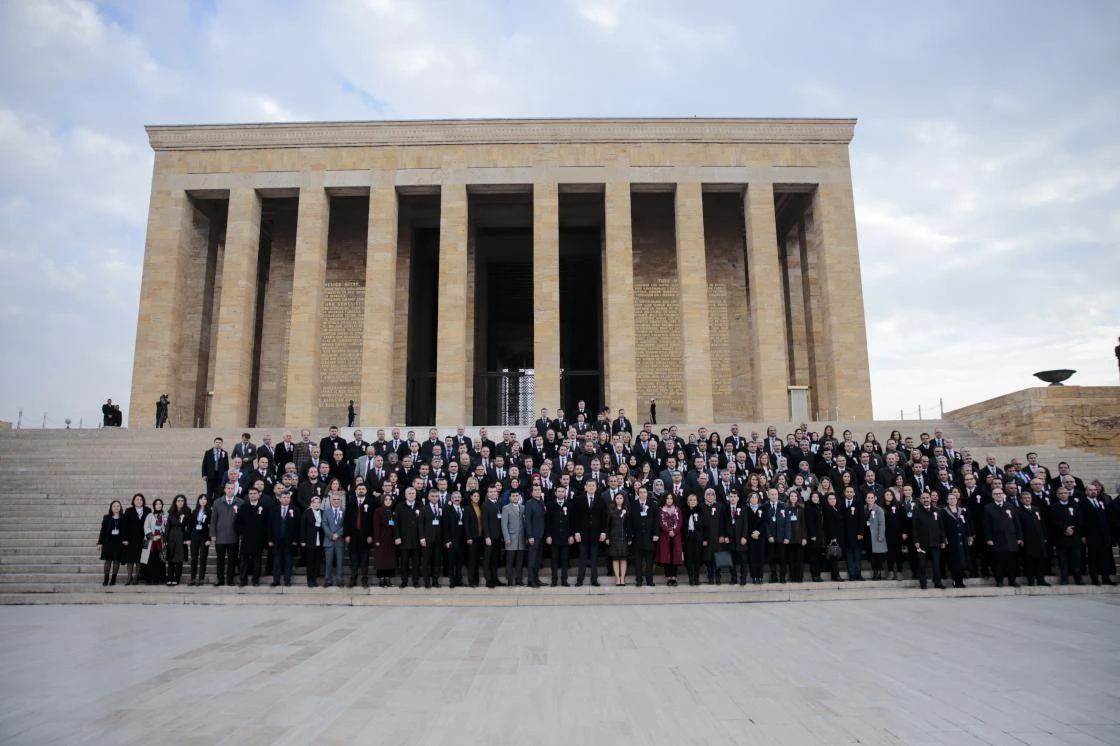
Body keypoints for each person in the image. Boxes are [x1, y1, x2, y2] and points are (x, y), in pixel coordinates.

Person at [984, 487, 1022, 588]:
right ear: (992, 496)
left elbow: (1016, 523)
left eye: (1000, 493)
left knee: (1012, 562)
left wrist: (1019, 537)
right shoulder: (988, 508)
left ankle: (1012, 580)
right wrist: (989, 538)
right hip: (997, 539)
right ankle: (999, 580)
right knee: (998, 562)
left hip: (1011, 539)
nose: (998, 495)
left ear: (1003, 494)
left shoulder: (1010, 506)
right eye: (996, 494)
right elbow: (986, 525)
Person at [572, 481, 606, 587]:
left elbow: (603, 518)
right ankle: (580, 580)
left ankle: (594, 579)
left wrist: (603, 532)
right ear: (585, 487)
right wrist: (576, 532)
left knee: (594, 558)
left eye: (593, 486)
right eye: (589, 485)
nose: (591, 487)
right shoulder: (579, 499)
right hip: (582, 533)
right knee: (582, 557)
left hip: (596, 534)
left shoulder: (600, 499)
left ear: (596, 488)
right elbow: (575, 517)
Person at [211, 483, 243, 587]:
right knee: (220, 559)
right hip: (220, 537)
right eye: (228, 488)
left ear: (235, 490)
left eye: (232, 488)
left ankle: (230, 580)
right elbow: (213, 520)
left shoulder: (240, 502)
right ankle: (220, 579)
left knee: (232, 560)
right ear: (225, 489)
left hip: (233, 536)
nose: (230, 490)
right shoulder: (217, 502)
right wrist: (213, 535)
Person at [912, 492, 946, 590]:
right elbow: (914, 527)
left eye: (927, 497)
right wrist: (916, 541)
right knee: (922, 564)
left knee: (936, 563)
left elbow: (941, 527)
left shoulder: (937, 510)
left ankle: (937, 582)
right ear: (920, 499)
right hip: (922, 543)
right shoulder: (917, 510)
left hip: (935, 541)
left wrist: (943, 540)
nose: (926, 499)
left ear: (930, 499)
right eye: (923, 498)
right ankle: (923, 583)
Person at [345, 483, 375, 588]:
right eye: (359, 489)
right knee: (353, 559)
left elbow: (372, 521)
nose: (361, 490)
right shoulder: (351, 502)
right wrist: (347, 534)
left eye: (363, 489)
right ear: (356, 491)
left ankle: (364, 580)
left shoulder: (371, 503)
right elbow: (347, 520)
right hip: (353, 536)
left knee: (364, 560)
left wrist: (371, 535)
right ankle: (353, 579)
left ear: (366, 491)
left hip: (365, 536)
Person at [1017, 491, 1049, 586]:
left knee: (1040, 560)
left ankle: (1040, 579)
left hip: (1039, 539)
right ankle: (1031, 580)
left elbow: (1042, 524)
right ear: (1021, 500)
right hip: (1027, 540)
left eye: (1029, 498)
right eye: (1025, 498)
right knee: (1029, 561)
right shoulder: (1018, 511)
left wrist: (1044, 536)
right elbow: (1018, 526)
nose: (1027, 499)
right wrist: (1020, 538)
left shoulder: (1036, 509)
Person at [629, 487, 659, 587]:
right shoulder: (633, 505)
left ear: (647, 493)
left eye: (644, 492)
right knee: (638, 561)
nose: (642, 494)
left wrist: (656, 534)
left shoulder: (652, 504)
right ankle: (639, 580)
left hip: (649, 537)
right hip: (637, 538)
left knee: (649, 561)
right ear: (638, 494)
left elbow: (656, 520)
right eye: (640, 492)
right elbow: (629, 520)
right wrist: (631, 534)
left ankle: (649, 580)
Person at [268, 491, 299, 587]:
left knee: (288, 560)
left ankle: (287, 580)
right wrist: (270, 539)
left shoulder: (295, 510)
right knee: (276, 560)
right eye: (284, 497)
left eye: (287, 497)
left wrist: (295, 540)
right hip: (277, 539)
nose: (286, 499)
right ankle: (276, 580)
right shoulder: (274, 510)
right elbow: (269, 526)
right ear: (280, 499)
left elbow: (297, 526)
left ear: (290, 499)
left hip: (289, 540)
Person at [394, 486, 423, 589]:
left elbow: (422, 523)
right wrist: (397, 536)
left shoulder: (420, 505)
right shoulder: (400, 506)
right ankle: (404, 581)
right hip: (404, 539)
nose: (411, 495)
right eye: (409, 493)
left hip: (416, 539)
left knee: (416, 563)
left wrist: (422, 538)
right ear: (405, 495)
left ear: (416, 495)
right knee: (404, 562)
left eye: (413, 493)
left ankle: (415, 581)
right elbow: (396, 523)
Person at [941, 491, 971, 588]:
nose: (952, 500)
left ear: (957, 500)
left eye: (954, 499)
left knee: (963, 560)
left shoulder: (961, 510)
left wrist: (968, 536)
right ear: (947, 501)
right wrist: (944, 537)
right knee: (954, 561)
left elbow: (966, 525)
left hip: (961, 539)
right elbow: (942, 527)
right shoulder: (944, 511)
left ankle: (961, 580)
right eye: (950, 499)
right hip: (951, 539)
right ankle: (955, 580)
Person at [546, 486, 574, 586]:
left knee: (565, 559)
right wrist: (548, 535)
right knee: (554, 559)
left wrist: (571, 535)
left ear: (565, 493)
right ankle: (554, 580)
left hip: (566, 537)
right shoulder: (550, 505)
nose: (561, 493)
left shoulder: (570, 505)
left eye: (562, 491)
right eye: (559, 491)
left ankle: (564, 580)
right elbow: (547, 522)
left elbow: (572, 522)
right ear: (556, 493)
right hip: (554, 537)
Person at [121, 493, 149, 586]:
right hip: (130, 539)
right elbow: (124, 525)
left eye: (141, 499)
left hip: (143, 539)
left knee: (139, 559)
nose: (139, 501)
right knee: (130, 559)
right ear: (133, 501)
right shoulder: (129, 511)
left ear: (143, 501)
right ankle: (129, 577)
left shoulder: (147, 510)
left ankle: (136, 577)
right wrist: (124, 538)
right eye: (137, 499)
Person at [372, 493, 398, 588]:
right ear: (383, 501)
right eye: (386, 499)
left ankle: (388, 579)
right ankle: (382, 580)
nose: (388, 501)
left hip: (391, 539)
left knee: (390, 560)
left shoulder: (393, 511)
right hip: (381, 539)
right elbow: (376, 526)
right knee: (381, 560)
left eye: (390, 500)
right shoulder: (378, 511)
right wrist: (377, 540)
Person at [656, 493, 683, 586]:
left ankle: (674, 577)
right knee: (666, 557)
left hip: (676, 536)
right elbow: (660, 522)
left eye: (671, 498)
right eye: (667, 498)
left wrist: (674, 531)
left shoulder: (677, 509)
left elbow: (680, 522)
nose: (669, 500)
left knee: (675, 557)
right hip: (665, 536)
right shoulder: (661, 510)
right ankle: (668, 578)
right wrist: (668, 530)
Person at [501, 490, 527, 586]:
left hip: (521, 539)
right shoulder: (506, 508)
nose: (515, 497)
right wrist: (507, 537)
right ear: (510, 498)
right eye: (513, 496)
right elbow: (504, 524)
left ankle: (519, 580)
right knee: (510, 561)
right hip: (511, 539)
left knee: (519, 562)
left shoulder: (523, 508)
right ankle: (510, 581)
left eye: (517, 496)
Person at [96, 500, 124, 587]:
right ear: (111, 508)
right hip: (108, 542)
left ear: (120, 508)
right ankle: (106, 579)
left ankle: (113, 579)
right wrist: (100, 542)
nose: (116, 508)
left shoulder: (123, 517)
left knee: (116, 561)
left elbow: (126, 530)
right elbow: (103, 531)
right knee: (108, 561)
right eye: (114, 506)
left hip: (119, 542)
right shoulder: (107, 517)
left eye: (118, 506)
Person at [420, 489, 444, 588]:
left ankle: (435, 580)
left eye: (436, 496)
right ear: (429, 497)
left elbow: (444, 524)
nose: (434, 498)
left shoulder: (442, 508)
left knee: (437, 561)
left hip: (438, 540)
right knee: (426, 561)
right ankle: (427, 581)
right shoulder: (424, 508)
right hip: (427, 539)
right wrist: (422, 538)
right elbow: (421, 525)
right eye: (432, 496)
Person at [164, 494, 190, 586]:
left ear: (184, 502)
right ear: (175, 502)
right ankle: (169, 578)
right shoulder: (170, 511)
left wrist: (187, 538)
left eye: (182, 501)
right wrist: (165, 539)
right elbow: (167, 526)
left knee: (179, 559)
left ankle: (177, 578)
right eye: (178, 501)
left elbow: (189, 527)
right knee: (171, 559)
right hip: (171, 537)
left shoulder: (187, 512)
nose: (180, 502)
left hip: (181, 537)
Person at [523, 485, 546, 588]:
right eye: (535, 490)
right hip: (533, 536)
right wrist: (530, 536)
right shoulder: (529, 503)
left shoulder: (541, 502)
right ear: (532, 493)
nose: (537, 491)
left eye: (539, 490)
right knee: (532, 559)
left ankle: (536, 578)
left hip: (541, 535)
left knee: (538, 559)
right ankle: (531, 580)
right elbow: (527, 521)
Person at [443, 491, 467, 588]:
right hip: (451, 540)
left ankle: (459, 580)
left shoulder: (463, 508)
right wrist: (447, 540)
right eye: (455, 497)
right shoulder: (447, 510)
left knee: (459, 562)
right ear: (451, 499)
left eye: (459, 497)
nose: (457, 498)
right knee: (451, 562)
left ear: (461, 498)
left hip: (461, 541)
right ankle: (452, 581)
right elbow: (445, 526)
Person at [606, 491, 630, 586]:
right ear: (614, 499)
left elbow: (629, 525)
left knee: (623, 559)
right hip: (614, 537)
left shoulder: (627, 510)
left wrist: (630, 537)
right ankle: (617, 578)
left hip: (624, 537)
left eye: (621, 498)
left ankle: (623, 578)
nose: (619, 500)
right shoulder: (611, 510)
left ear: (623, 499)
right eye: (617, 498)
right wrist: (607, 537)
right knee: (615, 559)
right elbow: (607, 525)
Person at [322, 492, 346, 588]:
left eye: (338, 499)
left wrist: (338, 534)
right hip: (329, 540)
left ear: (340, 501)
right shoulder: (326, 511)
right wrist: (331, 535)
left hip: (340, 540)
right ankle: (328, 580)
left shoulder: (344, 511)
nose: (336, 501)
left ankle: (340, 580)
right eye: (334, 499)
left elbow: (345, 525)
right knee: (328, 562)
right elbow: (324, 524)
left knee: (340, 562)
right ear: (331, 501)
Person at [300, 495, 324, 587]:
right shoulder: (307, 513)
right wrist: (302, 540)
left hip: (320, 540)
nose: (316, 504)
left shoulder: (323, 512)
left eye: (318, 502)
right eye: (314, 502)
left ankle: (314, 580)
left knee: (317, 562)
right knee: (310, 562)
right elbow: (302, 527)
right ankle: (309, 580)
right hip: (310, 540)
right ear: (311, 503)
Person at [682, 493, 705, 586]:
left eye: (694, 500)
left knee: (697, 559)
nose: (692, 502)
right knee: (689, 559)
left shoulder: (700, 511)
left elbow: (703, 525)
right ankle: (691, 578)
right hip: (688, 537)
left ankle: (696, 578)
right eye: (690, 500)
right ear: (688, 502)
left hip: (698, 537)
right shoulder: (685, 512)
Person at [882, 488, 905, 580]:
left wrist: (904, 531)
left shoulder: (898, 505)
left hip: (897, 533)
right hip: (886, 534)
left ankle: (899, 571)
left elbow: (903, 520)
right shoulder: (881, 506)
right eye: (887, 495)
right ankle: (890, 571)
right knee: (889, 553)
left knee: (898, 552)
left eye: (890, 495)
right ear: (884, 496)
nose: (889, 496)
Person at [143, 498, 167, 585]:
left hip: (161, 540)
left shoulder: (165, 515)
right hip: (150, 541)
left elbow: (167, 527)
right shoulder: (150, 515)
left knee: (160, 560)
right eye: (156, 504)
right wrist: (152, 537)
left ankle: (158, 579)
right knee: (150, 560)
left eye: (160, 504)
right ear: (154, 505)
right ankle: (149, 578)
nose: (158, 505)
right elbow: (146, 527)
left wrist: (161, 535)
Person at [188, 494, 211, 586]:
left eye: (205, 499)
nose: (203, 500)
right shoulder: (194, 511)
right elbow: (190, 526)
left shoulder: (209, 512)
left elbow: (211, 526)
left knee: (203, 558)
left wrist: (209, 538)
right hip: (194, 537)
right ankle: (192, 578)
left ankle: (201, 578)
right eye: (201, 499)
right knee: (194, 558)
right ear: (198, 501)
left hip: (204, 537)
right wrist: (189, 538)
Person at [822, 493, 845, 582]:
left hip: (839, 536)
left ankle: (835, 575)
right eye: (830, 499)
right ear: (827, 501)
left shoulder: (837, 509)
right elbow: (829, 525)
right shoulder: (827, 510)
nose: (832, 500)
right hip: (833, 537)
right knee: (834, 557)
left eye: (834, 499)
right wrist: (833, 537)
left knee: (836, 557)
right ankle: (836, 576)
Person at [864, 491, 886, 581]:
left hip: (876, 535)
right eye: (868, 498)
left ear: (875, 499)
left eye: (871, 498)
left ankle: (878, 572)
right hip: (867, 535)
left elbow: (882, 523)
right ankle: (875, 571)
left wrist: (881, 535)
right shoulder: (864, 508)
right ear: (865, 499)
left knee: (878, 555)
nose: (870, 499)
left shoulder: (879, 509)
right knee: (871, 555)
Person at [464, 490, 483, 587]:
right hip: (471, 538)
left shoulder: (480, 507)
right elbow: (466, 524)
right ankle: (471, 581)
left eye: (478, 496)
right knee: (471, 560)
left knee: (476, 560)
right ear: (471, 497)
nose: (476, 497)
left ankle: (476, 580)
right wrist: (468, 537)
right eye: (475, 496)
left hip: (479, 537)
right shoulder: (467, 508)